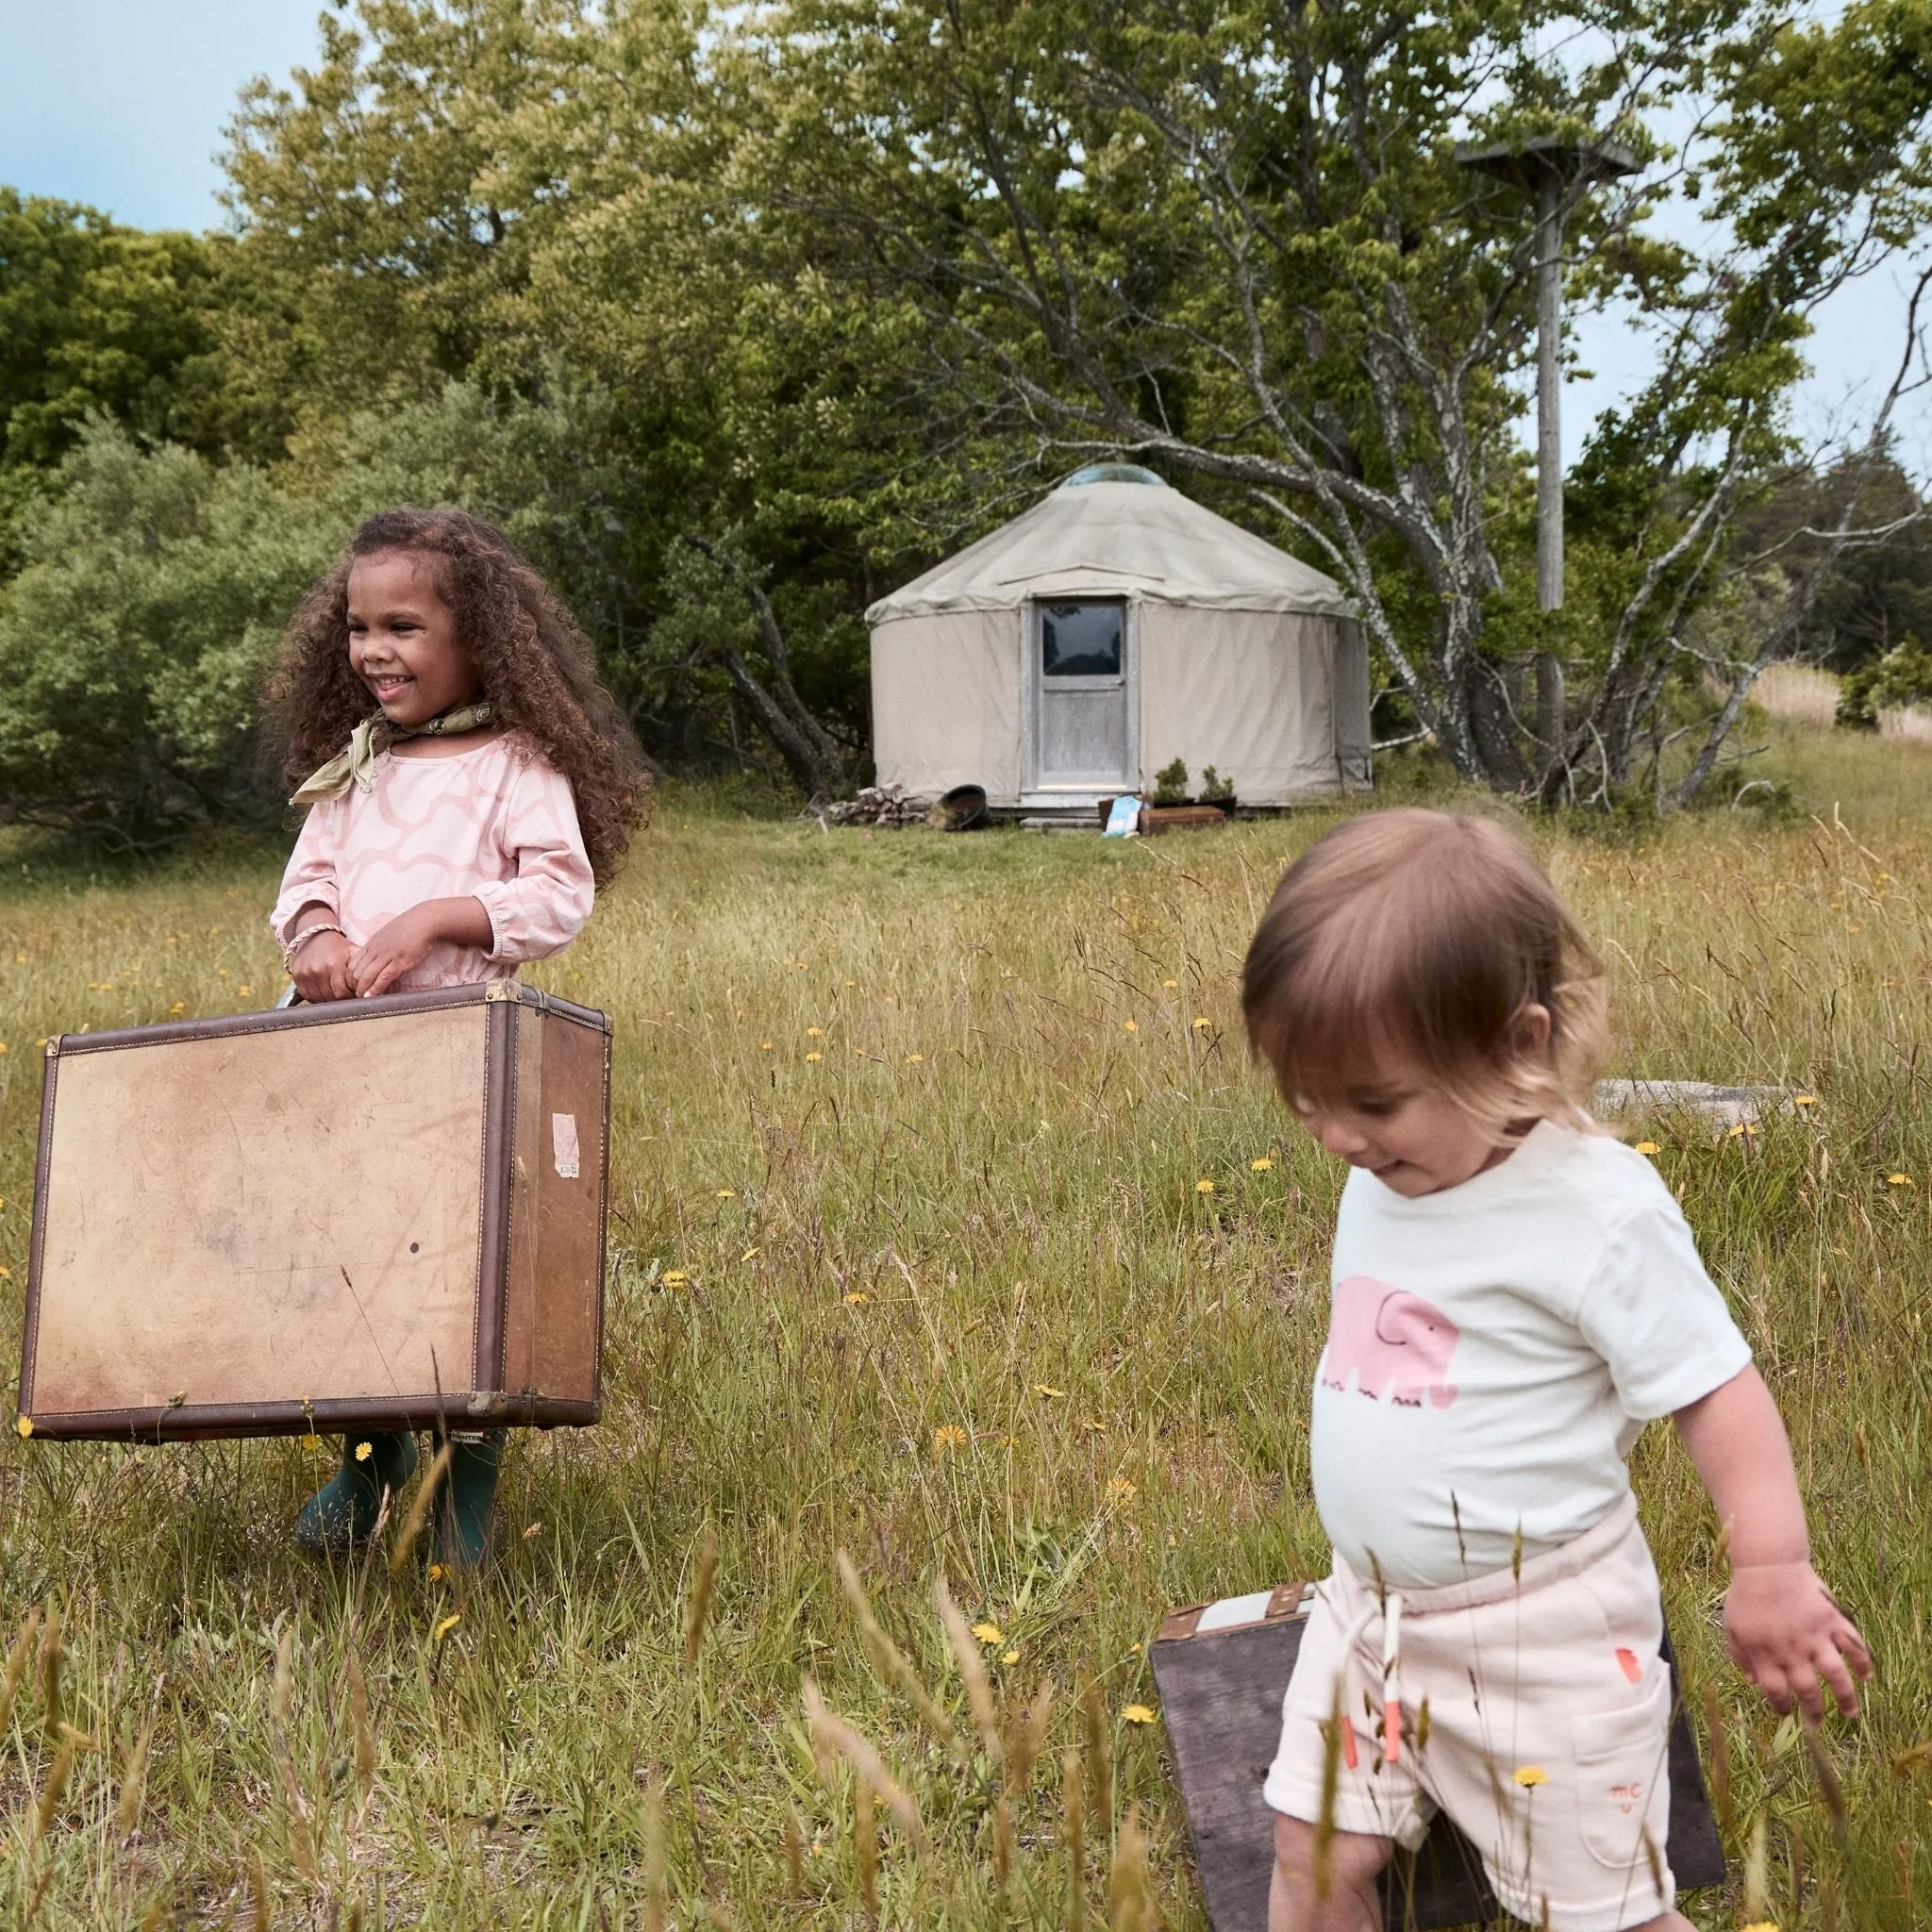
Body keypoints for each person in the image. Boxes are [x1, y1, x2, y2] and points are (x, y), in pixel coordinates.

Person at [1241, 809, 1871, 1932]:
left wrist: (1770, 1564)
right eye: (1305, 1096)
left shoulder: (1592, 1207)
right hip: (1365, 1614)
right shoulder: (1386, 1170)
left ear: (1517, 1046)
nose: (1334, 1134)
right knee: (1309, 1857)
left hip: (1543, 1637)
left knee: (1602, 1914)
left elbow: (1713, 1387)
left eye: (1371, 1101)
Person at [264, 507, 648, 1567]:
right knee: (351, 1267)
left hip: (460, 1065)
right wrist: (320, 932)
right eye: (358, 628)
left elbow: (556, 896)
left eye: (403, 627)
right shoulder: (359, 764)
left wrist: (437, 917)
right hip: (346, 1061)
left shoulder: (518, 762)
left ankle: (460, 1491)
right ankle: (367, 1465)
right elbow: (305, 885)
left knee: (458, 1283)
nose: (374, 651)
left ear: (478, 635)